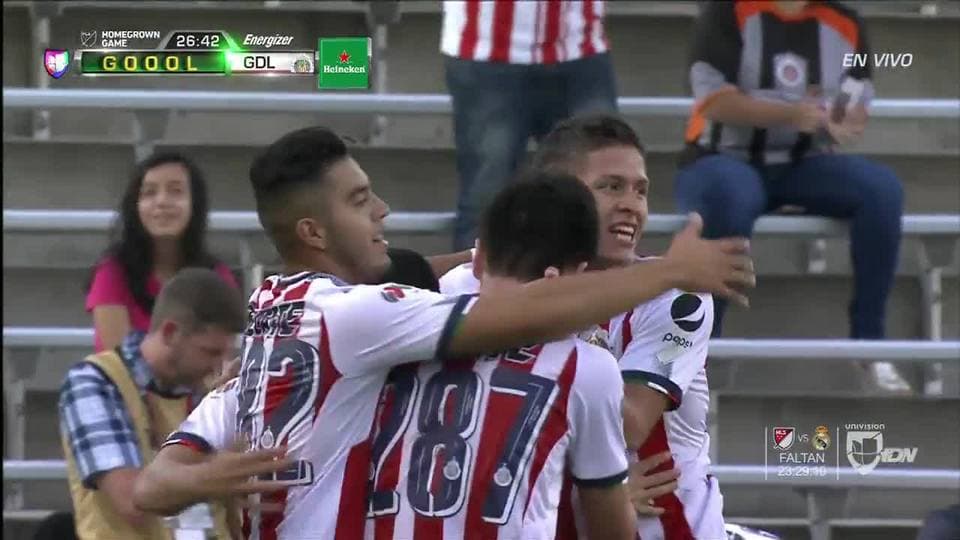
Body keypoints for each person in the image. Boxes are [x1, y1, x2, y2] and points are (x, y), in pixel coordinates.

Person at [132, 126, 753, 539]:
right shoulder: (367, 320)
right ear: (314, 232)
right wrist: (675, 270)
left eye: (639, 189)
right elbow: (517, 313)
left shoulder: (286, 325)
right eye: (359, 200)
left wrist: (198, 479)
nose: (383, 212)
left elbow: (153, 486)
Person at [440, 114, 725, 539]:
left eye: (641, 190)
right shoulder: (470, 285)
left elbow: (628, 426)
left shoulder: (676, 297)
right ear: (559, 195)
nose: (632, 203)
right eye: (611, 187)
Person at [363, 173, 635, 539]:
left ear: (479, 259)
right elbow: (609, 525)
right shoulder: (585, 366)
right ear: (579, 276)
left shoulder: (401, 325)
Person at [674, 1, 908, 390]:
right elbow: (713, 100)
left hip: (805, 162)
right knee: (731, 198)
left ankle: (869, 342)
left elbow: (854, 104)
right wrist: (790, 113)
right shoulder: (727, 12)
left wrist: (840, 118)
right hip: (721, 157)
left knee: (882, 191)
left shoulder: (846, 22)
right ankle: (701, 344)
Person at [60, 268, 249, 540]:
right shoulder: (95, 381)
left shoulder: (205, 391)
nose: (219, 365)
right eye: (210, 352)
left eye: (227, 353)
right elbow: (133, 501)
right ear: (171, 332)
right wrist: (223, 471)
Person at [442, 0, 619, 250]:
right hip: (485, 49)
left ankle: (606, 284)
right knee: (487, 193)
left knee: (604, 181)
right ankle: (475, 287)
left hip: (581, 46)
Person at [86, 151, 239, 352]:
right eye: (149, 192)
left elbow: (219, 362)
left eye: (175, 191)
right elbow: (121, 366)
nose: (162, 202)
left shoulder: (217, 276)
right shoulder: (112, 272)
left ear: (195, 204)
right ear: (135, 206)